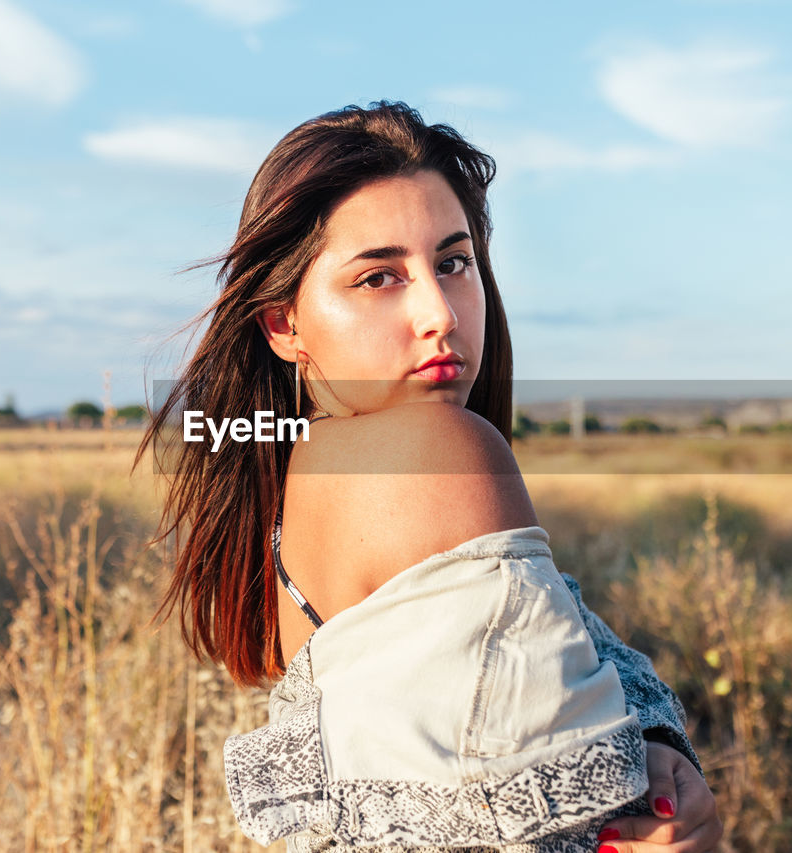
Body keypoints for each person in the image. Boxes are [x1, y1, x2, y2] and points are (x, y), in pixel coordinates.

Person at [135, 101, 722, 852]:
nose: (440, 312)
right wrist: (655, 764)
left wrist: (653, 741)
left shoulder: (297, 479)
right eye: (379, 277)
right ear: (283, 324)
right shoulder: (436, 449)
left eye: (453, 262)